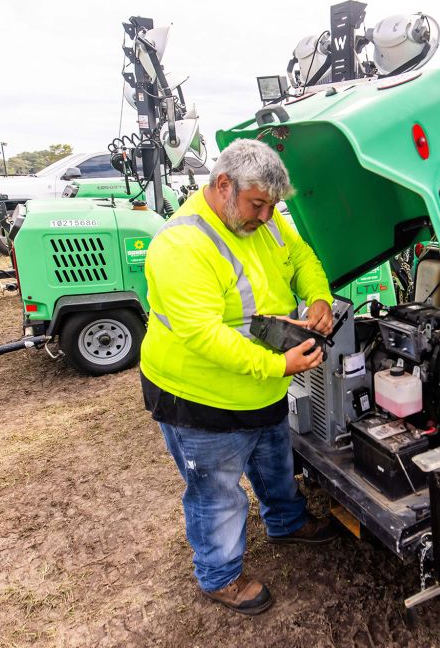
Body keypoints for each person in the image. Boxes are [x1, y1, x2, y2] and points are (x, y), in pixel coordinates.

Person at [140, 138, 340, 616]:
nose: (266, 218)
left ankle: (286, 522)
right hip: (201, 398)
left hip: (260, 387)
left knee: (274, 460)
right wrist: (279, 366)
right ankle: (219, 575)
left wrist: (318, 298)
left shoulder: (265, 223)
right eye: (257, 205)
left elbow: (303, 258)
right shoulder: (183, 244)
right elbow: (204, 335)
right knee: (217, 491)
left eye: (272, 207)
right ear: (223, 185)